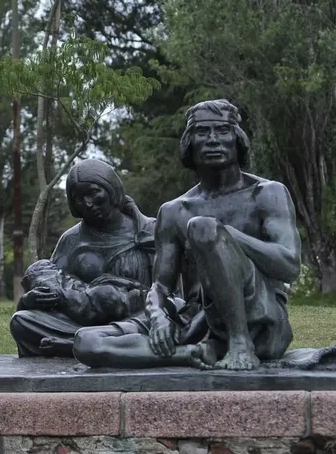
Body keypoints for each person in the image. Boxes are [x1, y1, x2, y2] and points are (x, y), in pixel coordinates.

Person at [73, 99, 302, 370]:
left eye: (223, 131)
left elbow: (289, 265)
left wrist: (225, 235)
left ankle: (240, 343)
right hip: (199, 325)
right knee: (85, 343)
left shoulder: (268, 194)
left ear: (237, 140)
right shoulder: (174, 211)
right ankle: (190, 354)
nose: (213, 140)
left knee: (204, 227)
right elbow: (160, 287)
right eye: (202, 132)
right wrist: (157, 315)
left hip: (261, 323)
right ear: (189, 144)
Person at [9, 159, 156, 357]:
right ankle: (90, 345)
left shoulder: (149, 231)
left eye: (93, 193)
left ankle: (78, 345)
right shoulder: (71, 240)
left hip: (137, 319)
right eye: (79, 198)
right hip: (79, 323)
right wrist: (29, 300)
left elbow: (169, 291)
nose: (87, 203)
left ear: (111, 188)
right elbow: (51, 284)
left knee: (157, 323)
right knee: (21, 321)